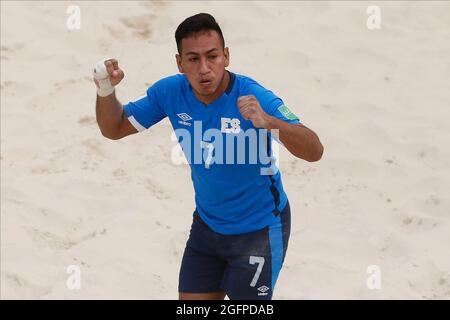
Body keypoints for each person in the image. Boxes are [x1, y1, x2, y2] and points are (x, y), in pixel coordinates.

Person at [94, 13, 323, 300]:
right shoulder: (170, 92)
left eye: (212, 56)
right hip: (207, 227)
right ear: (179, 63)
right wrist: (106, 89)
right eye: (193, 59)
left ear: (226, 56)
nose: (204, 69)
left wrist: (268, 121)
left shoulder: (253, 96)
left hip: (258, 230)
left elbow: (315, 150)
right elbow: (113, 129)